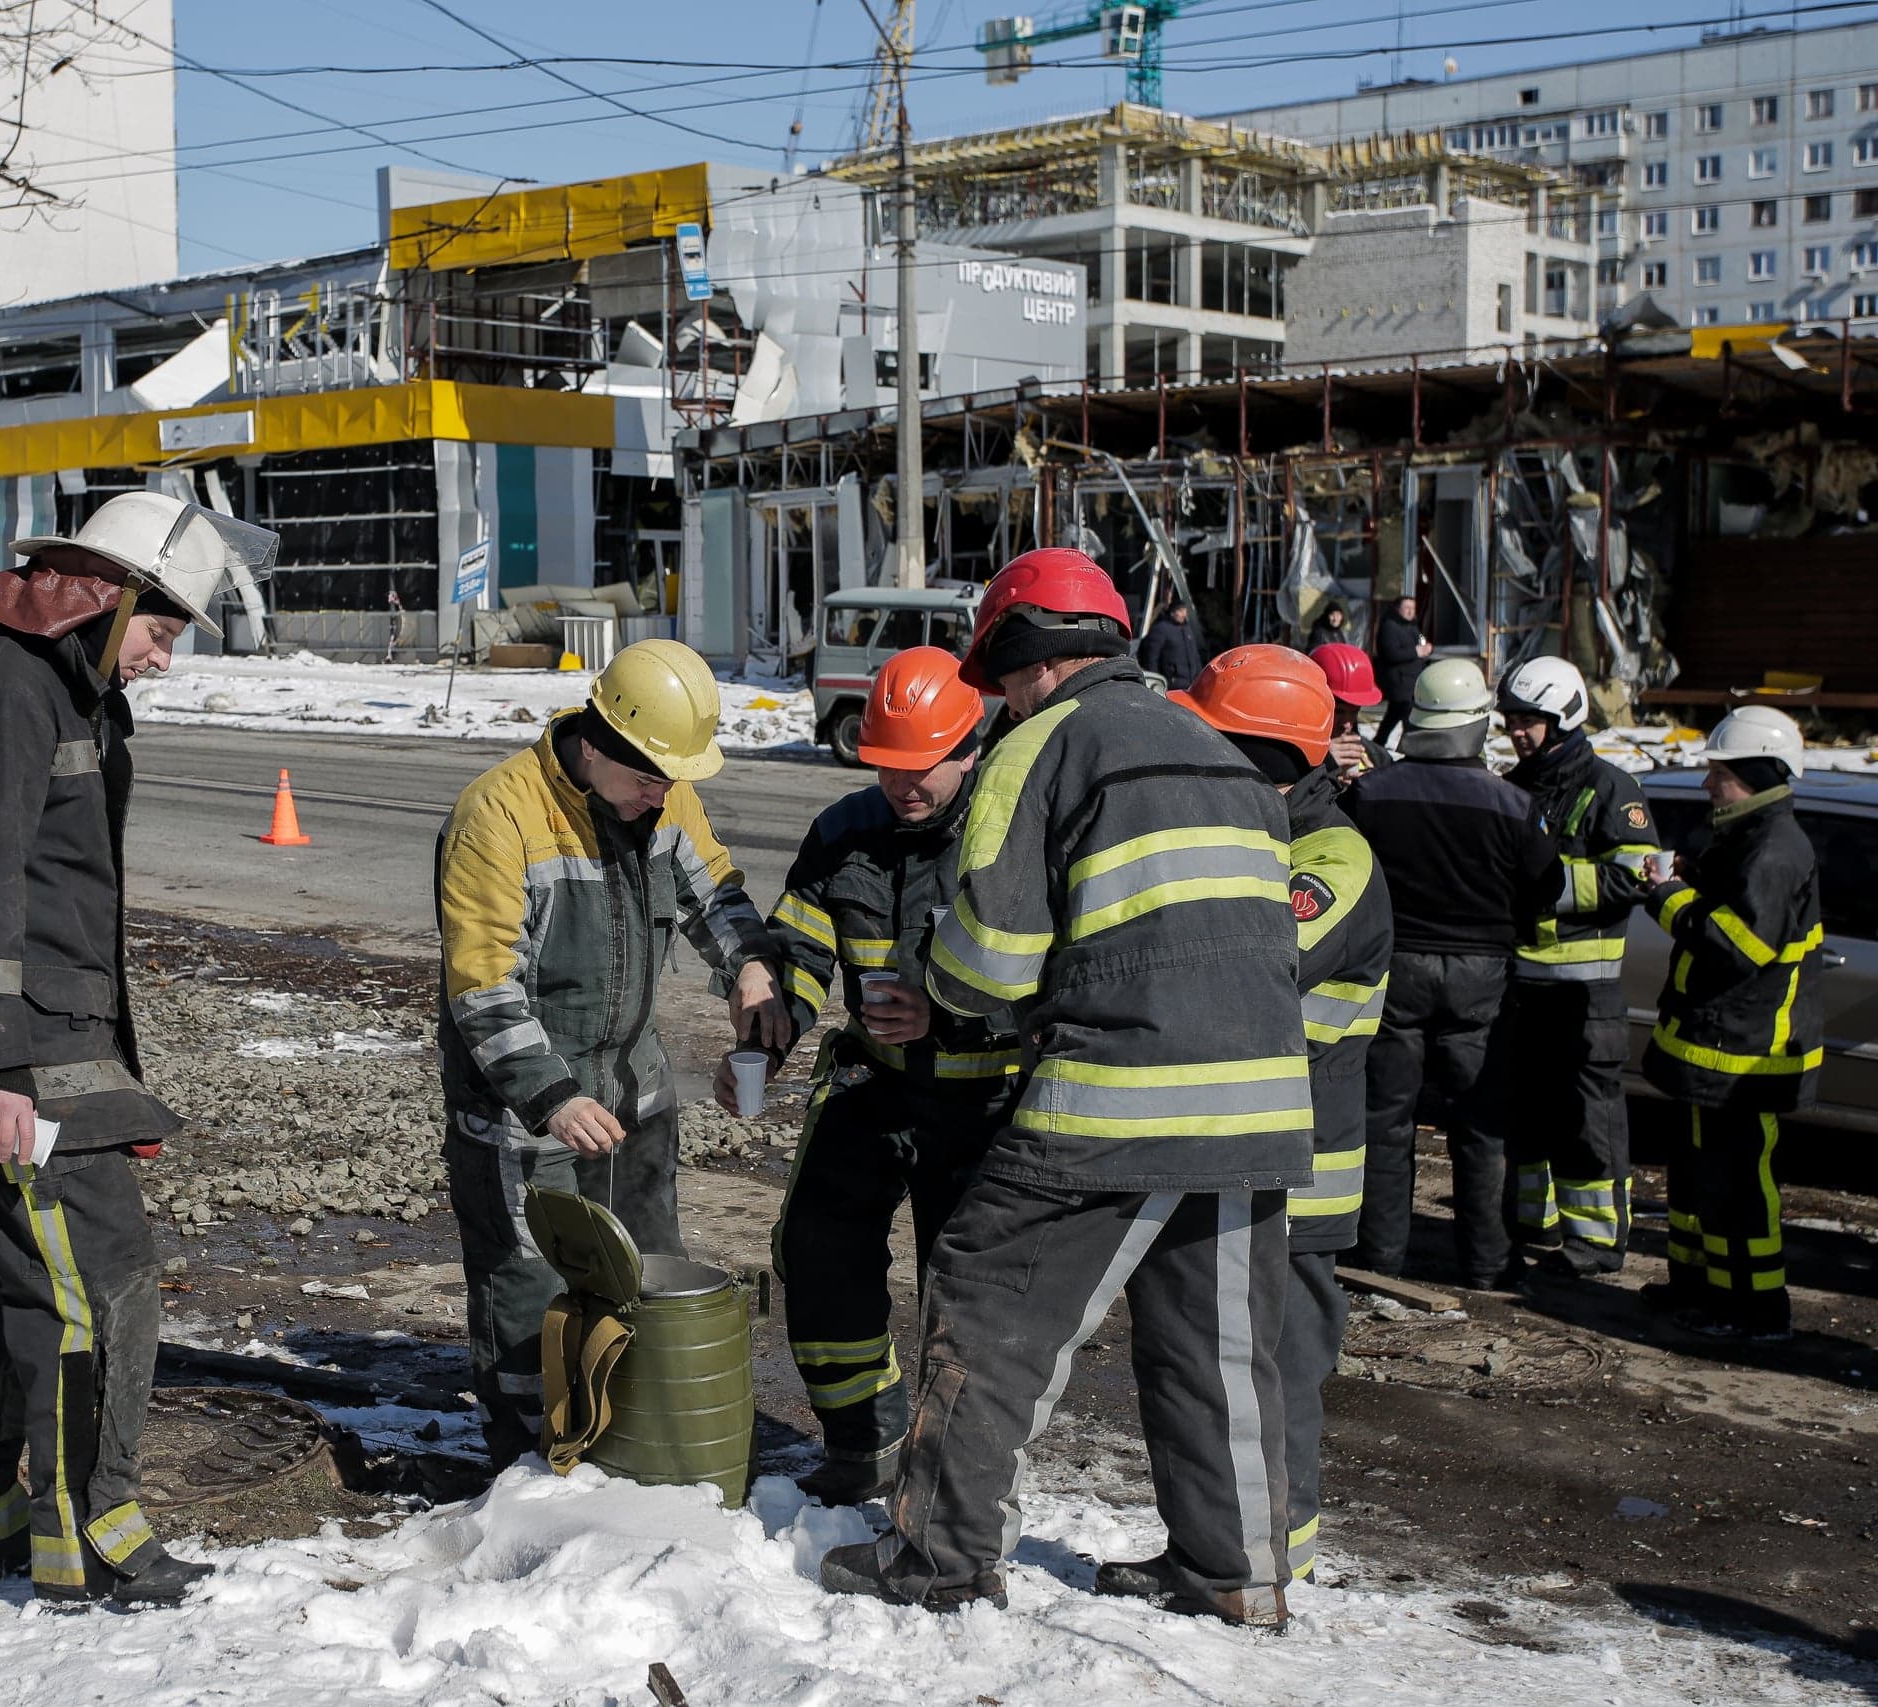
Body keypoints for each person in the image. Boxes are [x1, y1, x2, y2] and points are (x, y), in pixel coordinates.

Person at [820, 548, 1311, 1629]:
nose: (993, 699)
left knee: (989, 1295)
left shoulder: (1040, 745)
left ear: (1018, 660)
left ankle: (938, 1557)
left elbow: (991, 959)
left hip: (1119, 1092)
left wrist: (935, 986)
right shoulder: (1215, 747)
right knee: (1218, 1349)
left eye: (993, 679)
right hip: (1264, 1102)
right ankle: (1233, 1573)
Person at [0, 491, 274, 1606]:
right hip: (27, 1068)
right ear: (105, 599)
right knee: (99, 1291)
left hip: (17, 1059)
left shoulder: (47, 689)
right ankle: (94, 1530)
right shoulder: (7, 692)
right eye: (160, 633)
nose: (162, 659)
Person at [436, 639, 789, 1469]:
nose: (660, 797)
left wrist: (749, 966)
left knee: (646, 1271)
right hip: (526, 1107)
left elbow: (716, 892)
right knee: (530, 1283)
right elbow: (484, 987)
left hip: (635, 1096)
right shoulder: (500, 816)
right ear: (594, 744)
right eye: (646, 780)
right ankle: (528, 1459)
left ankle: (631, 1434)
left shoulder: (663, 796)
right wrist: (551, 1095)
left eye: (671, 781)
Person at [1123, 645, 1392, 1594]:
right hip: (1232, 1148)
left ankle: (1281, 1561)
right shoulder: (1253, 834)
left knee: (1272, 1375)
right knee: (1208, 1365)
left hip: (1301, 1168)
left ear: (1264, 758)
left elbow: (1243, 956)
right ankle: (1222, 1548)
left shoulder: (1333, 857)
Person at [753, 645, 1017, 1506]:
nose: (905, 785)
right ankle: (862, 1439)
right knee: (817, 1246)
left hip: (988, 1097)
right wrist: (770, 1025)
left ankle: (960, 1475)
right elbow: (798, 946)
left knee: (969, 1288)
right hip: (876, 1082)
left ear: (971, 747)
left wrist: (945, 1012)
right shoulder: (844, 832)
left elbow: (1062, 974)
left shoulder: (1011, 836)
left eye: (924, 767)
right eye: (888, 764)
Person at [1343, 657, 1556, 1287]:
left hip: (1395, 969)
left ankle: (1380, 1257)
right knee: (1481, 1127)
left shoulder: (1371, 793)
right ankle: (1487, 1264)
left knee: (1386, 1122)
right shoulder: (1515, 805)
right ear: (1477, 724)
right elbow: (1545, 889)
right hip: (1482, 977)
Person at [1636, 706, 1824, 1341]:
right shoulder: (1749, 839)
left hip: (1744, 1058)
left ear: (1758, 774)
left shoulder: (1774, 850)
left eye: (1719, 775)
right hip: (1718, 1049)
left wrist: (1669, 898)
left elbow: (1734, 947)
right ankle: (1699, 1287)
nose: (1707, 786)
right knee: (1695, 1181)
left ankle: (1754, 1309)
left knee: (1738, 1187)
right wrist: (1690, 874)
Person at [1496, 656, 1661, 1279]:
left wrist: (1552, 882)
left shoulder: (1613, 789)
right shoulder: (1515, 785)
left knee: (1587, 1124)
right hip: (1521, 990)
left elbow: (1637, 876)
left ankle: (1594, 1245)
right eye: (1512, 719)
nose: (1517, 731)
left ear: (1563, 716)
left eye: (1529, 720)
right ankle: (1531, 1227)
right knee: (1528, 1118)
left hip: (1585, 995)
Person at [1311, 641, 1388, 784]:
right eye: (1339, 711)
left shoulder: (1377, 757)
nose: (1347, 724)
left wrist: (1375, 786)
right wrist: (1324, 769)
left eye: (1354, 712)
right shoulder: (1291, 761)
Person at [1373, 595, 1431, 749]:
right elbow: (1390, 653)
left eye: (1413, 608)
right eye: (1407, 608)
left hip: (1411, 681)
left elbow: (1418, 643)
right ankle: (1411, 748)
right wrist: (1416, 652)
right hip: (1399, 681)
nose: (1410, 611)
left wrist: (1425, 650)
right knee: (1408, 716)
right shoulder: (1389, 626)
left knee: (1393, 715)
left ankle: (1378, 743)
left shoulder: (1412, 625)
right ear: (1398, 609)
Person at [1137, 596, 1204, 690]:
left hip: (1191, 683)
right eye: (1180, 611)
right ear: (1172, 612)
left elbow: (1195, 655)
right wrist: (1155, 682)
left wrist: (1200, 676)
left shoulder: (1187, 629)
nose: (1184, 614)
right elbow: (1152, 657)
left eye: (1185, 611)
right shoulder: (1161, 629)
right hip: (1172, 684)